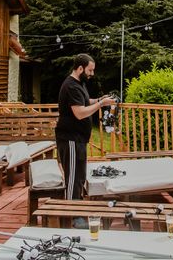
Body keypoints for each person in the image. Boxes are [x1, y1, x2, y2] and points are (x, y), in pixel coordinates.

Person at [55, 53, 117, 226]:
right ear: (80, 68)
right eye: (90, 70)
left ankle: (78, 210)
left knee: (80, 176)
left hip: (78, 139)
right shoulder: (71, 86)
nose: (92, 74)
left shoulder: (78, 83)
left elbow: (85, 101)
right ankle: (73, 216)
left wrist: (99, 99)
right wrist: (101, 105)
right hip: (70, 139)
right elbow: (80, 112)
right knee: (73, 178)